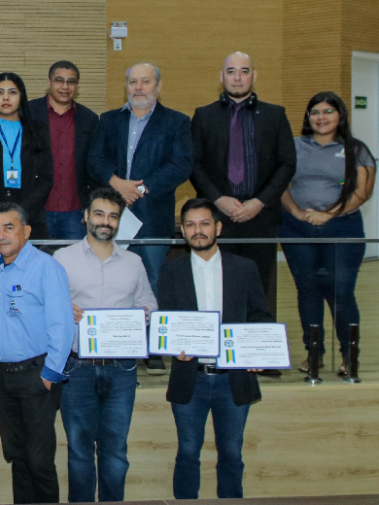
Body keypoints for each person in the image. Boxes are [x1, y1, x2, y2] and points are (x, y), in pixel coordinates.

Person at [159, 198, 271, 500]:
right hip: (189, 377)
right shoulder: (170, 272)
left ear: (218, 227)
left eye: (205, 223)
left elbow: (260, 314)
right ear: (183, 231)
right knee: (187, 453)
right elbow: (165, 322)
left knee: (232, 454)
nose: (198, 230)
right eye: (191, 225)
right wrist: (173, 347)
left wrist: (256, 352)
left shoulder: (244, 268)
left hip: (233, 377)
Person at [52, 188, 157, 502]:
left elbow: (148, 303)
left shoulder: (134, 262)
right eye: (99, 213)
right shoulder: (62, 259)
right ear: (85, 216)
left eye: (113, 216)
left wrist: (142, 316)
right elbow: (44, 306)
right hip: (76, 368)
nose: (105, 221)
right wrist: (60, 307)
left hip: (122, 369)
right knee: (79, 450)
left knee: (115, 451)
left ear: (119, 221)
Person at [88, 62, 192, 375]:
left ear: (158, 86)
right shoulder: (108, 121)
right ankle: (119, 342)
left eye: (145, 82)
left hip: (153, 217)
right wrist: (116, 182)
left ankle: (154, 348)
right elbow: (95, 159)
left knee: (153, 281)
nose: (138, 88)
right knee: (113, 281)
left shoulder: (176, 122)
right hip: (113, 217)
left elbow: (181, 165)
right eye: (133, 81)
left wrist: (142, 188)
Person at [191, 52, 296, 318]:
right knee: (218, 286)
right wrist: (218, 199)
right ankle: (220, 350)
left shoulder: (275, 115)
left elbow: (287, 164)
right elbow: (193, 164)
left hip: (260, 216)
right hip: (218, 217)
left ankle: (252, 352)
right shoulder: (203, 116)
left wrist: (259, 202)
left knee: (258, 287)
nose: (237, 77)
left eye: (244, 71)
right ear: (222, 76)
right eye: (231, 71)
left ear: (254, 75)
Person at [0, 202, 74, 504]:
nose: (1, 236)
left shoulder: (46, 268)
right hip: (2, 377)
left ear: (26, 231)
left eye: (9, 228)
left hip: (36, 376)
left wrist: (49, 376)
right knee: (17, 457)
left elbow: (63, 325)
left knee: (40, 462)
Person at [281, 92, 375, 375]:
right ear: (308, 117)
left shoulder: (356, 148)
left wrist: (328, 214)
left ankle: (349, 356)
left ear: (340, 116)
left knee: (341, 293)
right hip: (297, 228)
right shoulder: (293, 146)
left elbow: (363, 191)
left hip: (342, 229)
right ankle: (314, 354)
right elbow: (280, 184)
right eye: (315, 112)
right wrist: (298, 213)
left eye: (328, 111)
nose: (321, 117)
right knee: (307, 291)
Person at [0, 72, 53, 240]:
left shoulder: (38, 132)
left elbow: (45, 178)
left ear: (21, 97)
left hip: (29, 216)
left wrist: (21, 214)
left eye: (12, 92)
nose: (6, 97)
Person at [27, 61, 101, 240]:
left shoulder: (89, 119)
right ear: (49, 82)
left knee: (74, 267)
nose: (65, 86)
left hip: (75, 213)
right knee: (35, 266)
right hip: (36, 209)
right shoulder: (28, 113)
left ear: (77, 86)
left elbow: (95, 164)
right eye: (59, 80)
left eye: (71, 81)